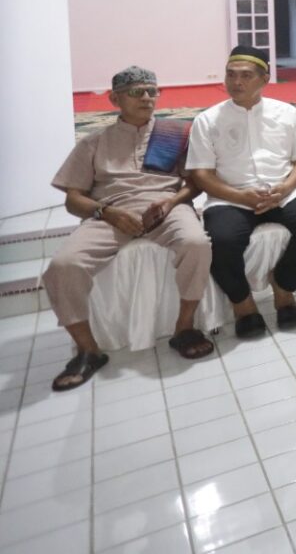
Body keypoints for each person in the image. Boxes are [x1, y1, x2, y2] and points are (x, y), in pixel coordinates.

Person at [44, 66, 213, 390]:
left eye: (152, 91)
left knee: (197, 244)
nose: (147, 98)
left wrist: (170, 202)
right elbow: (73, 199)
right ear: (115, 98)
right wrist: (106, 212)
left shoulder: (174, 133)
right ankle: (87, 350)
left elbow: (194, 185)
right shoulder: (94, 142)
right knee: (63, 266)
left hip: (165, 208)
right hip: (111, 211)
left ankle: (184, 328)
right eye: (137, 92)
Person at [187, 46, 296, 337]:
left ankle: (283, 287)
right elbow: (200, 174)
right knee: (221, 240)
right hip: (231, 196)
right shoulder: (207, 120)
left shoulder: (287, 113)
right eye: (230, 75)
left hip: (283, 191)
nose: (236, 82)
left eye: (245, 76)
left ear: (264, 79)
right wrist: (239, 196)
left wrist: (286, 187)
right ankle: (242, 304)